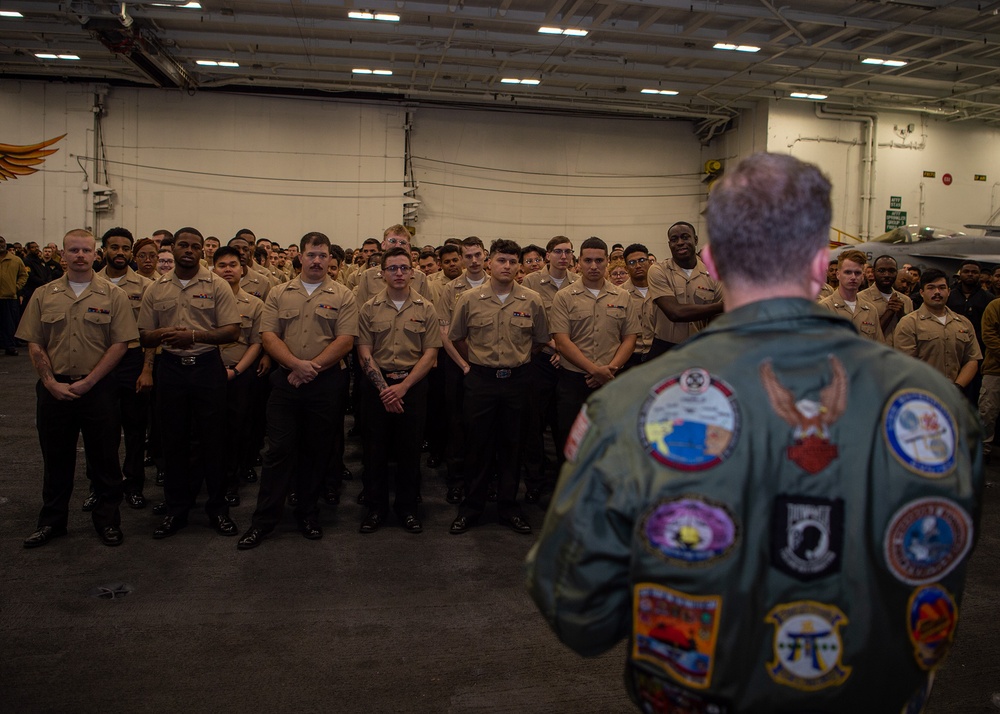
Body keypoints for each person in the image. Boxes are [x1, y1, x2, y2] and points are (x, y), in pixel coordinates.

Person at [525, 152, 984, 713]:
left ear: (714, 263)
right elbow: (945, 565)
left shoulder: (628, 406)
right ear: (821, 263)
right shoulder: (936, 403)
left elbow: (577, 611)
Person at [237, 232, 358, 550]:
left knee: (316, 451)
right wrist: (295, 366)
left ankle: (308, 513)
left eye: (323, 255)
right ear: (301, 257)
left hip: (326, 385)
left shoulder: (343, 295)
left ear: (330, 259)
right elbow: (269, 336)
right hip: (286, 383)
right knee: (277, 452)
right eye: (311, 255)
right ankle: (263, 521)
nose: (317, 260)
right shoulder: (279, 293)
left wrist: (311, 368)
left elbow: (345, 340)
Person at [19, 229, 137, 548]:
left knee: (105, 460)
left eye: (86, 250)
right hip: (54, 389)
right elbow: (35, 342)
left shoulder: (113, 295)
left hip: (97, 389)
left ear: (95, 254)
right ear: (63, 255)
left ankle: (108, 521)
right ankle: (52, 522)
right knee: (56, 459)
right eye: (74, 250)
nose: (80, 256)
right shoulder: (44, 294)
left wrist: (89, 381)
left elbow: (120, 344)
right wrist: (50, 383)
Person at [138, 227, 241, 540]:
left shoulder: (217, 285)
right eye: (183, 245)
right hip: (170, 369)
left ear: (202, 252)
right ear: (173, 247)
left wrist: (193, 335)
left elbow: (232, 331)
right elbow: (144, 335)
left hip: (207, 367)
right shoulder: (156, 288)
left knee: (214, 441)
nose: (189, 250)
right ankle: (176, 510)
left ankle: (218, 510)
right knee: (173, 441)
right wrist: (166, 335)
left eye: (195, 246)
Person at [447, 239, 549, 535]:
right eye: (501, 260)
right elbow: (458, 337)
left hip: (518, 380)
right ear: (489, 263)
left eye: (512, 261)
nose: (507, 266)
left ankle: (509, 507)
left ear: (519, 267)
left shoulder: (532, 300)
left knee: (513, 445)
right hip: (481, 381)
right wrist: (479, 364)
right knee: (477, 444)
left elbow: (540, 340)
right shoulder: (468, 299)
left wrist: (516, 362)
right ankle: (471, 507)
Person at [356, 247, 441, 533]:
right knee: (374, 451)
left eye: (404, 268)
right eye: (392, 268)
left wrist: (403, 387)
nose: (399, 273)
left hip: (412, 386)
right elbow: (364, 351)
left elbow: (430, 354)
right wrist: (384, 389)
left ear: (413, 272)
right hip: (377, 387)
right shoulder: (368, 308)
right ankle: (375, 509)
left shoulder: (426, 308)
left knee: (409, 451)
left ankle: (407, 508)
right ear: (382, 273)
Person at [550, 236, 639, 461]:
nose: (593, 266)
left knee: (609, 445)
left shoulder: (623, 296)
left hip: (611, 380)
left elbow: (630, 338)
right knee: (570, 445)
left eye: (599, 260)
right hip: (573, 382)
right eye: (588, 260)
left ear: (607, 261)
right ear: (578, 262)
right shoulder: (564, 297)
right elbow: (562, 341)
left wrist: (611, 369)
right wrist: (594, 370)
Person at [95, 227, 155, 509]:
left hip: (132, 361)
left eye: (125, 248)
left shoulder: (145, 287)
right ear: (103, 250)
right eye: (114, 247)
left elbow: (150, 333)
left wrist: (147, 369)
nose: (120, 252)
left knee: (134, 428)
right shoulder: (91, 284)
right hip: (98, 363)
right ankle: (100, 486)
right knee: (100, 429)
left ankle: (133, 485)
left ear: (131, 252)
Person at [212, 246, 264, 506]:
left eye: (233, 264)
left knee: (236, 430)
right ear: (213, 269)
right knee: (205, 431)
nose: (228, 269)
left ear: (242, 269)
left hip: (240, 374)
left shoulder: (254, 304)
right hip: (206, 374)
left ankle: (232, 482)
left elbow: (256, 342)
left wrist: (236, 371)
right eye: (222, 265)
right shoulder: (203, 300)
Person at [894, 269, 981, 391]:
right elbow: (906, 364)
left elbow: (972, 360)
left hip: (955, 394)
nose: (937, 292)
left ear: (949, 291)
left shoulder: (963, 323)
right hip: (921, 393)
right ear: (921, 292)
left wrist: (956, 388)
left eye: (942, 288)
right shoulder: (909, 323)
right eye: (931, 288)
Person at [646, 221, 723, 357]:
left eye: (685, 237)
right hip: (664, 348)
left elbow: (717, 321)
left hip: (699, 347)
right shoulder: (658, 270)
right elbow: (675, 312)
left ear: (696, 240)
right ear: (669, 244)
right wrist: (723, 305)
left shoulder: (712, 274)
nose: (680, 242)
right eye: (674, 240)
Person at [819, 250, 885, 343]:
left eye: (857, 273)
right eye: (848, 272)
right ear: (838, 274)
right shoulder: (824, 308)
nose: (853, 277)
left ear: (862, 276)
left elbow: (878, 347)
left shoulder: (870, 311)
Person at [859, 254, 912, 346]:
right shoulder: (861, 299)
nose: (887, 275)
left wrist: (902, 316)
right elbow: (864, 337)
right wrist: (889, 312)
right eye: (881, 271)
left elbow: (911, 334)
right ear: (873, 272)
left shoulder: (906, 301)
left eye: (891, 271)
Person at [619, 243, 655, 371]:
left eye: (641, 260)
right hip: (629, 357)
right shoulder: (618, 294)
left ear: (649, 262)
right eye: (632, 262)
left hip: (656, 354)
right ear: (627, 267)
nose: (638, 266)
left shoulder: (662, 291)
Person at [0, 236, 28, 356]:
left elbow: (24, 275)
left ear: (5, 244)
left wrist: (16, 287)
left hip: (9, 297)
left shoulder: (15, 260)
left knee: (9, 324)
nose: (0, 244)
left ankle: (10, 346)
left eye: (1, 242)